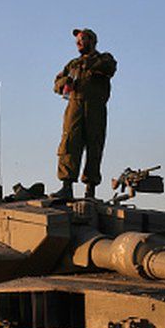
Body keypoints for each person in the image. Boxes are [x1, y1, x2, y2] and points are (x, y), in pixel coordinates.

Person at [51, 28, 117, 199]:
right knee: (69, 144)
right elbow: (57, 83)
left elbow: (109, 68)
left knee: (94, 146)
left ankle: (90, 189)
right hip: (74, 106)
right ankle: (66, 186)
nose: (78, 43)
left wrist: (88, 64)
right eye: (77, 40)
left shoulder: (104, 58)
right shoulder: (72, 64)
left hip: (95, 107)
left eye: (82, 39)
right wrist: (65, 82)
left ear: (92, 41)